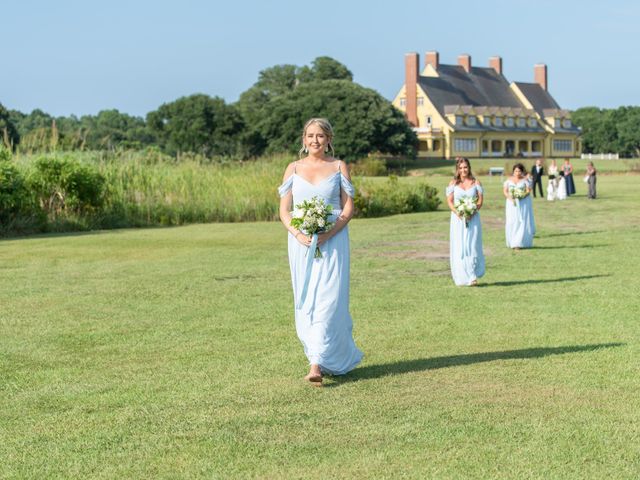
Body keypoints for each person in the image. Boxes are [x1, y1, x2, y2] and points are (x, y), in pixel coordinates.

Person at [278, 118, 363, 386]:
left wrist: (327, 234)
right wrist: (299, 234)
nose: (315, 140)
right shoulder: (292, 168)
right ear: (304, 140)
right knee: (308, 298)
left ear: (329, 139)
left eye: (321, 136)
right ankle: (317, 355)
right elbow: (284, 210)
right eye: (311, 135)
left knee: (329, 298)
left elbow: (347, 208)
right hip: (301, 243)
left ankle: (316, 363)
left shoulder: (339, 167)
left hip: (333, 241)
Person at [446, 157, 485, 286]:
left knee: (472, 246)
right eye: (461, 168)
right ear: (457, 169)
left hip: (473, 219)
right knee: (460, 247)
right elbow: (450, 201)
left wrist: (472, 212)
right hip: (457, 220)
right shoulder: (453, 183)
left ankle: (473, 275)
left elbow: (479, 201)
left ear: (469, 168)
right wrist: (458, 212)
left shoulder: (475, 182)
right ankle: (464, 276)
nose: (463, 170)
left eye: (465, 167)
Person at [504, 163, 536, 249]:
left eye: (519, 171)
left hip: (522, 203)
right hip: (511, 204)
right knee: (512, 221)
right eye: (515, 171)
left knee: (521, 221)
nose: (517, 173)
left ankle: (518, 243)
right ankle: (512, 240)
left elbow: (528, 190)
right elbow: (505, 191)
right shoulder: (508, 180)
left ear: (522, 172)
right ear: (513, 172)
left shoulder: (525, 181)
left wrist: (522, 195)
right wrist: (510, 198)